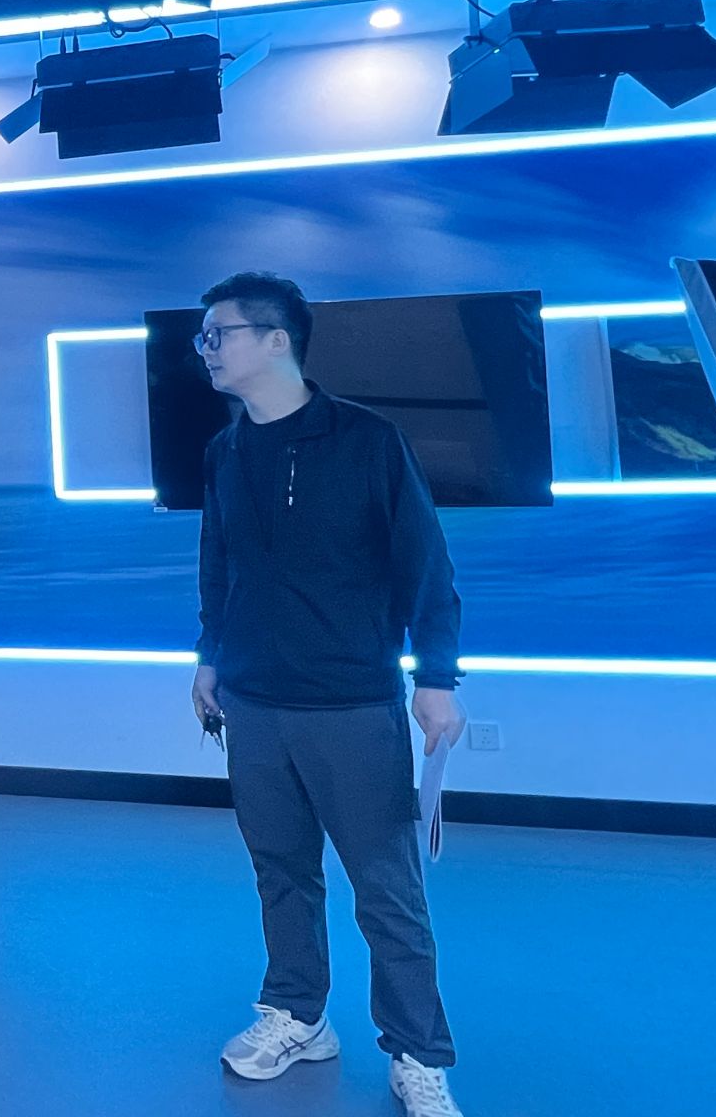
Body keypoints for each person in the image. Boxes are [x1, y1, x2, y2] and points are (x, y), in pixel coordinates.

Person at [189, 272, 468, 1117]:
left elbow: (427, 565)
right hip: (253, 704)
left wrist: (436, 678)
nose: (206, 349)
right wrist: (208, 660)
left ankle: (417, 1053)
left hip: (351, 704)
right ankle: (298, 1014)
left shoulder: (368, 441)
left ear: (277, 340)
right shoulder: (225, 450)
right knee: (280, 872)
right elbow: (219, 565)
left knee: (386, 891)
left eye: (219, 334)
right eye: (204, 337)